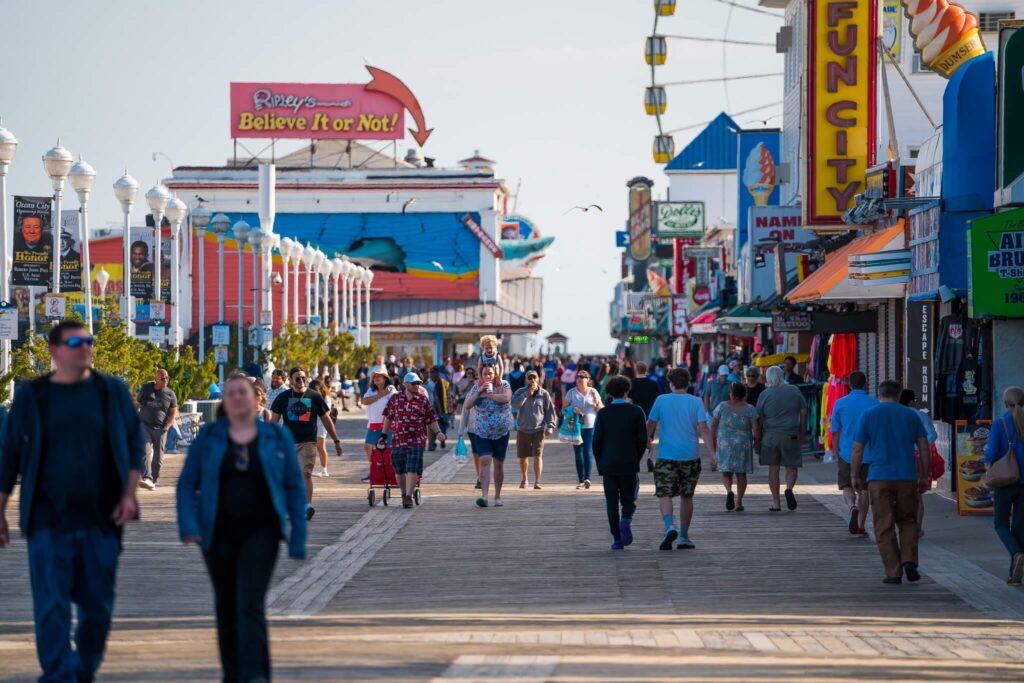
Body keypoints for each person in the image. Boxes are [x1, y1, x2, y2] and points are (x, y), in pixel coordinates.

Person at [0, 319, 144, 683]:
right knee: (51, 605)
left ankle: (83, 667)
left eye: (88, 341)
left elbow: (132, 447)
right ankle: (59, 674)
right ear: (54, 350)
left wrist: (129, 495)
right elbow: (8, 456)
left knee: (97, 608)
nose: (85, 347)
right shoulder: (33, 396)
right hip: (48, 519)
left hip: (102, 519)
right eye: (76, 341)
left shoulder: (110, 391)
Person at [177, 372, 307, 683]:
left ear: (256, 399)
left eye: (242, 392)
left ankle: (256, 675)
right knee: (226, 606)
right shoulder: (208, 437)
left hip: (262, 531)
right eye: (230, 393)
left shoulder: (276, 437)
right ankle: (233, 674)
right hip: (216, 532)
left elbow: (293, 485)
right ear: (224, 401)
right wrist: (187, 524)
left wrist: (298, 533)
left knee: (250, 603)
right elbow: (186, 484)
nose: (236, 397)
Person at [850, 380, 931, 584]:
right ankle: (909, 560)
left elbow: (857, 449)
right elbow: (924, 448)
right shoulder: (911, 415)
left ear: (879, 393)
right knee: (908, 521)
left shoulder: (869, 415)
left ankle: (893, 572)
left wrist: (854, 475)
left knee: (883, 525)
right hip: (907, 476)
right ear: (899, 393)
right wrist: (924, 475)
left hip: (878, 477)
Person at [648, 368, 711, 550]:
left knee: (665, 493)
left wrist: (646, 440)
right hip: (690, 455)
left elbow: (651, 424)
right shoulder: (696, 401)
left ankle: (669, 526)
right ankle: (683, 536)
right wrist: (714, 454)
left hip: (667, 455)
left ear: (671, 384)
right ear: (688, 383)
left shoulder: (661, 400)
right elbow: (704, 429)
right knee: (686, 495)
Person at [269, 367, 342, 521]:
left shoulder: (314, 397)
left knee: (305, 473)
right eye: (297, 378)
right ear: (290, 380)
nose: (301, 380)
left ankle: (306, 506)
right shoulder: (283, 397)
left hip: (308, 442)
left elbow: (326, 420)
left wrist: (336, 440)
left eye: (303, 377)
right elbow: (273, 421)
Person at [593, 376, 649, 550]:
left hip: (608, 464)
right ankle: (626, 518)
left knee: (611, 502)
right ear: (627, 391)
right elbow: (642, 439)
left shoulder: (603, 413)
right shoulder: (636, 411)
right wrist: (637, 458)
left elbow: (596, 442)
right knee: (629, 498)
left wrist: (600, 462)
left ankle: (617, 539)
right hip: (629, 462)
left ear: (609, 393)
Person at [379, 372, 446, 508]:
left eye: (419, 383)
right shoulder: (395, 399)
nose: (417, 386)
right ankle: (404, 493)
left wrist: (438, 432)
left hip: (417, 440)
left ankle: (408, 496)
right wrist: (384, 435)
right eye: (414, 383)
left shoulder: (423, 400)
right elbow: (388, 417)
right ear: (406, 384)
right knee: (398, 469)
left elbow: (430, 419)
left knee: (412, 468)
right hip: (398, 439)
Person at [983, 386, 1024, 585]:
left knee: (1000, 523)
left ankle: (1016, 554)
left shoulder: (1001, 423)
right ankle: (1015, 573)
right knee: (1019, 527)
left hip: (1006, 481)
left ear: (1005, 403)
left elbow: (990, 454)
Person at [831, 371, 879, 536]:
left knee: (846, 485)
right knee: (865, 488)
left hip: (847, 452)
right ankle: (860, 525)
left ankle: (852, 507)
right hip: (869, 453)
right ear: (865, 384)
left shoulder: (840, 403)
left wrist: (835, 450)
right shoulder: (875, 403)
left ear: (849, 385)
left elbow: (835, 431)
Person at [756, 366, 808, 511]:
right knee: (791, 466)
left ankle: (776, 503)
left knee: (773, 469)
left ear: (768, 378)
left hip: (770, 436)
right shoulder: (794, 390)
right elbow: (804, 411)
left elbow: (759, 418)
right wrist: (801, 431)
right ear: (782, 376)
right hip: (791, 434)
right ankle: (789, 489)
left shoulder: (764, 394)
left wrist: (757, 438)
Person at [463, 365, 514, 507]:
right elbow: (467, 405)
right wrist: (479, 392)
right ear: (481, 375)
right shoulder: (477, 388)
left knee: (498, 464)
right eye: (485, 374)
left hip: (501, 433)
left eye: (490, 373)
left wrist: (490, 394)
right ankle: (484, 496)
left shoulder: (504, 385)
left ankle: (497, 496)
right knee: (484, 460)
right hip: (482, 432)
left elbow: (506, 397)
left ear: (496, 373)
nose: (487, 376)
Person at [710, 382, 760, 512]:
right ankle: (739, 502)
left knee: (726, 472)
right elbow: (756, 428)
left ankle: (729, 491)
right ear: (744, 394)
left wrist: (712, 442)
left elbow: (713, 426)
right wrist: (758, 443)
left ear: (731, 394)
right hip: (743, 444)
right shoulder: (750, 408)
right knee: (741, 473)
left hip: (725, 442)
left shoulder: (721, 406)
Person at [899, 388, 939, 538]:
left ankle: (904, 527)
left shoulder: (894, 415)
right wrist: (920, 446)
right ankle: (916, 528)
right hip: (917, 458)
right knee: (917, 496)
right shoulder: (920, 415)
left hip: (898, 458)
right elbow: (932, 435)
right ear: (911, 401)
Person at [510, 370, 557, 489]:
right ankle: (524, 479)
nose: (532, 380)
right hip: (523, 429)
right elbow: (514, 405)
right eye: (529, 378)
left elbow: (550, 411)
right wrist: (527, 394)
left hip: (539, 429)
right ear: (526, 380)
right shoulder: (520, 392)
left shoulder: (544, 394)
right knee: (523, 456)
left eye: (534, 378)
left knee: (538, 455)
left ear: (538, 379)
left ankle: (538, 481)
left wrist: (550, 426)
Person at [136, 368, 179, 490]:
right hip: (144, 425)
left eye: (167, 377)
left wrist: (166, 428)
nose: (165, 380)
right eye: (162, 378)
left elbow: (173, 413)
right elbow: (137, 403)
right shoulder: (146, 389)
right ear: (156, 379)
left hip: (161, 428)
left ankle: (153, 480)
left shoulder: (170, 394)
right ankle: (147, 477)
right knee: (145, 450)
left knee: (158, 458)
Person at [565, 369, 604, 489]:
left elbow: (601, 409)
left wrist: (598, 404)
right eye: (578, 376)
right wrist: (573, 408)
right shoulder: (571, 392)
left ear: (588, 380)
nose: (580, 378)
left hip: (590, 427)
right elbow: (564, 409)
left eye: (583, 376)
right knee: (578, 454)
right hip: (575, 427)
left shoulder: (593, 392)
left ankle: (587, 478)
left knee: (588, 452)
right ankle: (581, 479)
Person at [361, 369, 397, 482]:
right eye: (375, 376)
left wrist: (385, 393)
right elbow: (365, 401)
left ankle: (391, 472)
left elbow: (395, 404)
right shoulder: (371, 390)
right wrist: (381, 394)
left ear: (385, 378)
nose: (376, 377)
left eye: (379, 376)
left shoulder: (391, 390)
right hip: (373, 424)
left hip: (388, 425)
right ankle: (374, 469)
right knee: (368, 447)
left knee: (389, 450)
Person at [309, 379, 334, 478]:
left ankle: (324, 469)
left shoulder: (326, 398)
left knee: (321, 447)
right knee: (313, 447)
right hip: (312, 423)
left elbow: (326, 413)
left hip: (321, 424)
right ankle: (315, 468)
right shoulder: (312, 397)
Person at [428, 366, 453, 451]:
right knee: (434, 427)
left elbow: (449, 397)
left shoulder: (445, 383)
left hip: (444, 409)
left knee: (444, 427)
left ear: (438, 374)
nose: (432, 375)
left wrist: (450, 410)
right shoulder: (429, 384)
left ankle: (443, 439)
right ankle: (433, 443)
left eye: (433, 373)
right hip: (433, 410)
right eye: (431, 373)